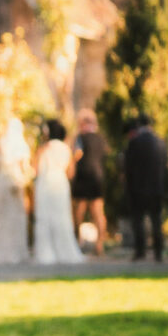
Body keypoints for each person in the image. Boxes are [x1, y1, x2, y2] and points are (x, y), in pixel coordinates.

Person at [33, 119, 83, 264]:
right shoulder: (66, 149)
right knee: (62, 216)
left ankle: (45, 253)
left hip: (45, 184)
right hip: (60, 184)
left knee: (44, 217)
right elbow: (71, 173)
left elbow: (35, 169)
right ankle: (65, 251)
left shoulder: (43, 149)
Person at [0, 117, 31, 264]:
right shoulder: (22, 145)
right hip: (14, 179)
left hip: (1, 181)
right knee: (14, 215)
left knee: (0, 214)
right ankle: (15, 251)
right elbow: (25, 167)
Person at [124, 112, 168, 261]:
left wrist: (128, 187)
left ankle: (140, 251)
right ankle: (158, 251)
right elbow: (165, 168)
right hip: (156, 187)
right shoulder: (160, 142)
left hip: (138, 188)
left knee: (138, 221)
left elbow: (128, 167)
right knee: (156, 220)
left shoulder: (134, 142)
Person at [71, 108, 107, 255]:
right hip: (97, 177)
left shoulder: (80, 138)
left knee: (79, 211)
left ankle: (76, 242)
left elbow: (77, 154)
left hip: (83, 177)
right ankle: (100, 244)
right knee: (98, 212)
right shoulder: (100, 139)